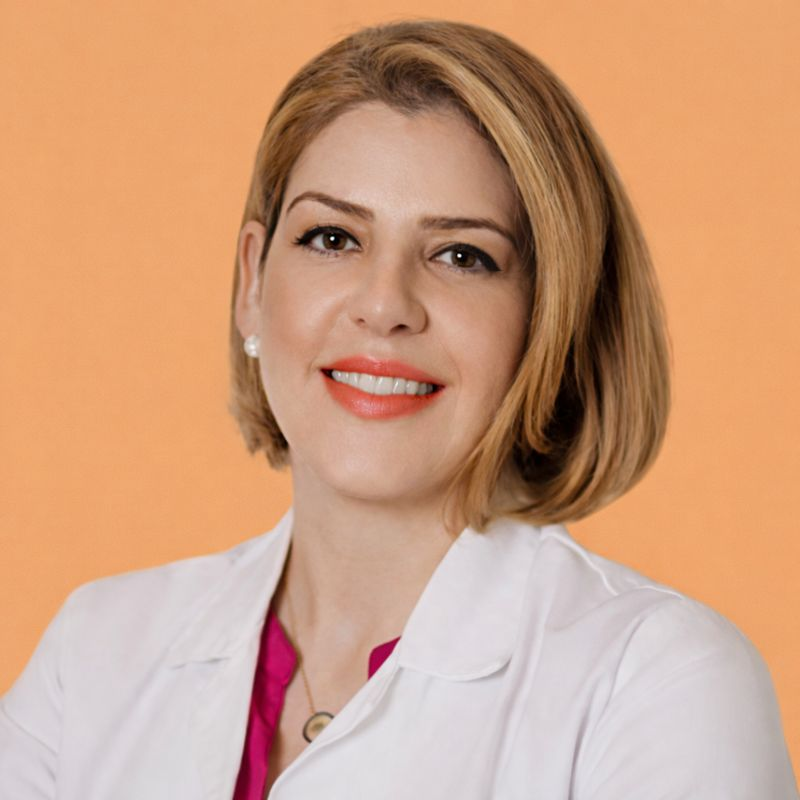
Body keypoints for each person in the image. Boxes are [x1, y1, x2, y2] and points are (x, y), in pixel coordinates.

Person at [1, 18, 797, 799]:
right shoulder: (96, 652)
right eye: (333, 238)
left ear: (550, 317)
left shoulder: (658, 685)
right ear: (252, 282)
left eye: (462, 255)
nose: (384, 307)